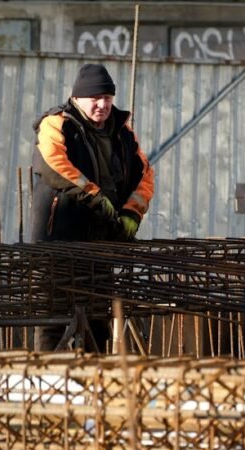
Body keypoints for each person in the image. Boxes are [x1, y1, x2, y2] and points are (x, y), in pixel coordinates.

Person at [31, 63, 155, 351]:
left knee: (98, 316)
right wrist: (94, 197)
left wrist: (131, 214)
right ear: (77, 98)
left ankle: (93, 380)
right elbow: (53, 163)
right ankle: (47, 382)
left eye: (108, 99)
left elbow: (145, 175)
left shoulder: (123, 133)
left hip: (101, 240)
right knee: (55, 314)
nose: (102, 105)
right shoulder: (57, 123)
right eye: (95, 99)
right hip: (59, 238)